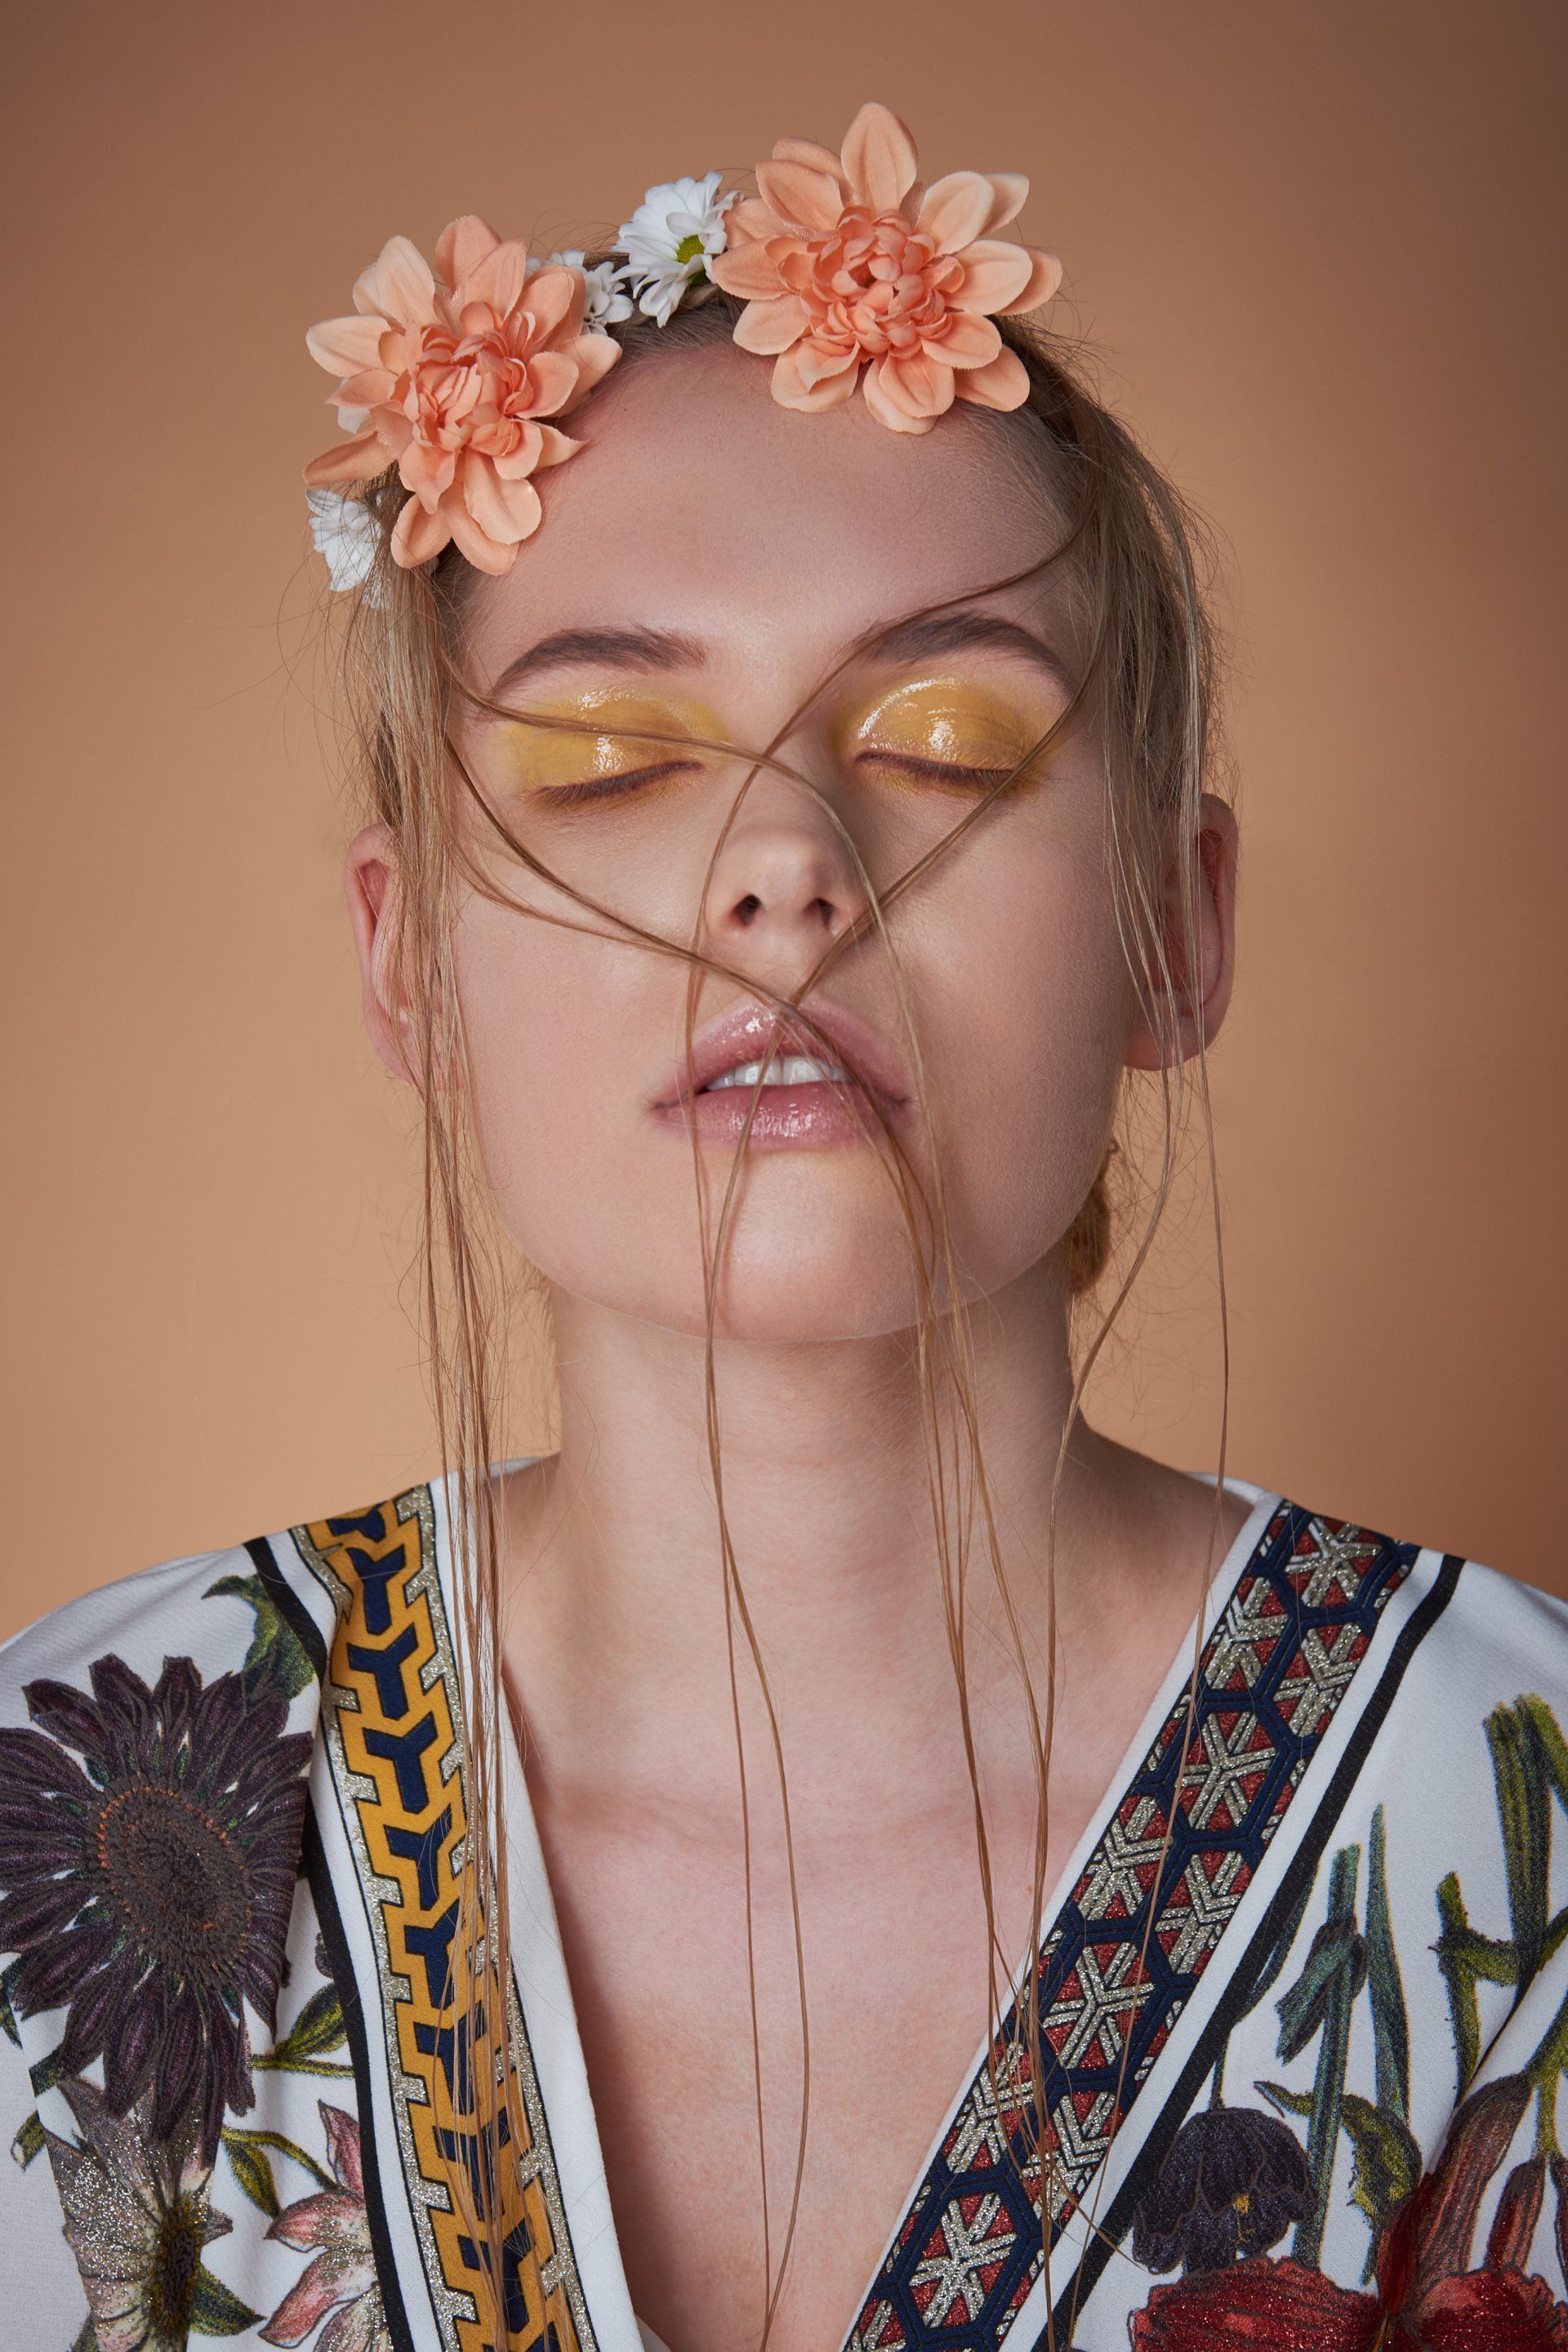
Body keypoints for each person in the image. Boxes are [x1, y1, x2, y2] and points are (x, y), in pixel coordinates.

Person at [2, 100, 1565, 2352]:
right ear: (403, 965)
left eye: (943, 731)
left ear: (1175, 927)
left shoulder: (1529, 1839)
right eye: (612, 758)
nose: (783, 864)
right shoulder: (52, 1805)